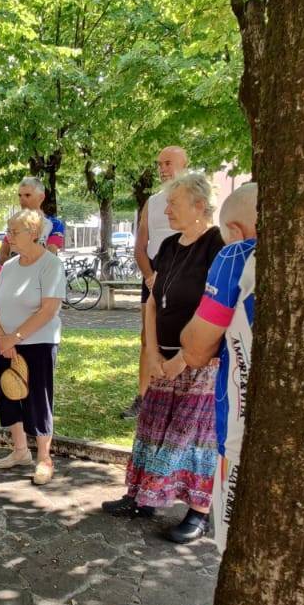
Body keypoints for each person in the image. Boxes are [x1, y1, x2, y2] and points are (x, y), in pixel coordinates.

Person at [101, 171, 225, 544]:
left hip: (201, 362)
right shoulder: (170, 245)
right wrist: (153, 352)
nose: (166, 210)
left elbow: (217, 310)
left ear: (199, 206)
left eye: (174, 203)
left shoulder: (217, 244)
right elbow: (154, 301)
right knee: (153, 428)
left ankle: (198, 511)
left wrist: (184, 358)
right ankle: (143, 497)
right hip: (164, 356)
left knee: (193, 436)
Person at [177, 182, 258, 552]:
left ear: (235, 231)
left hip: (241, 427)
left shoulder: (236, 255)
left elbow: (196, 348)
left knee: (236, 543)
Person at [0, 208, 66, 485]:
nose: (8, 237)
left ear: (33, 233)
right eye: (8, 231)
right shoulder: (9, 266)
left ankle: (44, 458)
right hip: (6, 344)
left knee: (38, 400)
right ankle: (20, 451)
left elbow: (48, 310)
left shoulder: (50, 265)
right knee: (10, 395)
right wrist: (2, 338)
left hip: (38, 343)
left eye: (14, 232)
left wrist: (15, 337)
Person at [124, 146, 189, 420]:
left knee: (183, 336)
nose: (162, 169)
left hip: (184, 277)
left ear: (185, 165)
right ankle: (143, 397)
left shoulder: (195, 200)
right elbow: (140, 247)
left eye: (168, 163)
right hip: (153, 276)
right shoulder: (152, 202)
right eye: (159, 164)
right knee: (147, 337)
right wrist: (150, 277)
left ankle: (180, 397)